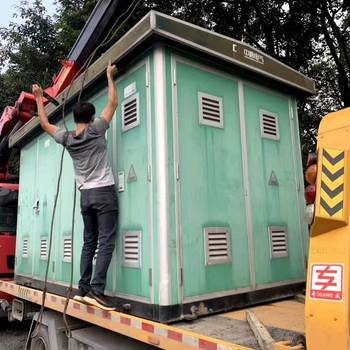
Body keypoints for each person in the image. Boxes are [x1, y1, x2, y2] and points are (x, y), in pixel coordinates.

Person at [32, 60, 118, 311]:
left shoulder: (68, 139)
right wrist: (110, 76)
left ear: (76, 118)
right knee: (106, 241)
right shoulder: (96, 130)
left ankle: (83, 288)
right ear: (91, 118)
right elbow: (113, 103)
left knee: (89, 241)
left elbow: (45, 124)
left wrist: (39, 97)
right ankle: (97, 291)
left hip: (85, 197)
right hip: (104, 193)